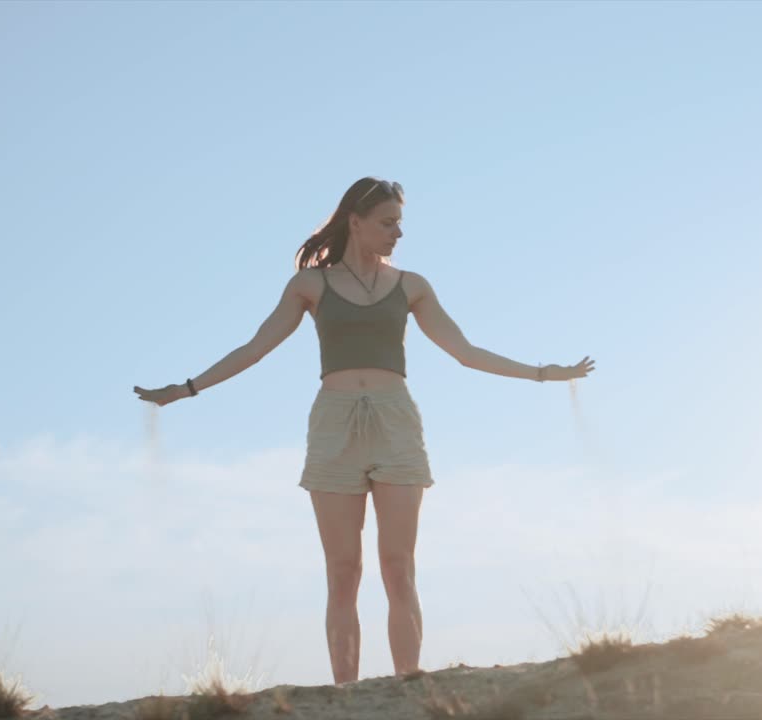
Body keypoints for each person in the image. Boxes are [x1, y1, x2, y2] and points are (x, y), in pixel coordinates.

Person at [133, 177, 595, 685]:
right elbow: (255, 347)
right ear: (356, 221)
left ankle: (408, 688)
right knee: (343, 572)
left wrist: (543, 372)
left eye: (399, 223)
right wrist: (187, 388)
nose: (397, 232)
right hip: (334, 425)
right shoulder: (311, 285)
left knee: (399, 566)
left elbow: (464, 351)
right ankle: (346, 696)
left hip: (395, 423)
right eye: (387, 222)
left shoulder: (412, 285)